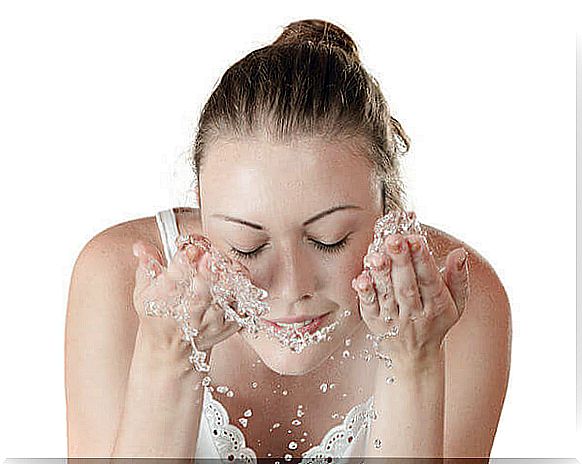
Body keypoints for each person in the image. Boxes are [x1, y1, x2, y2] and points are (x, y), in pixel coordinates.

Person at [64, 19, 511, 461]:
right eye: (247, 246)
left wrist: (412, 359)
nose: (292, 286)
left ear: (387, 209)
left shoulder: (456, 307)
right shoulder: (120, 279)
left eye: (329, 240)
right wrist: (168, 359)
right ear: (204, 209)